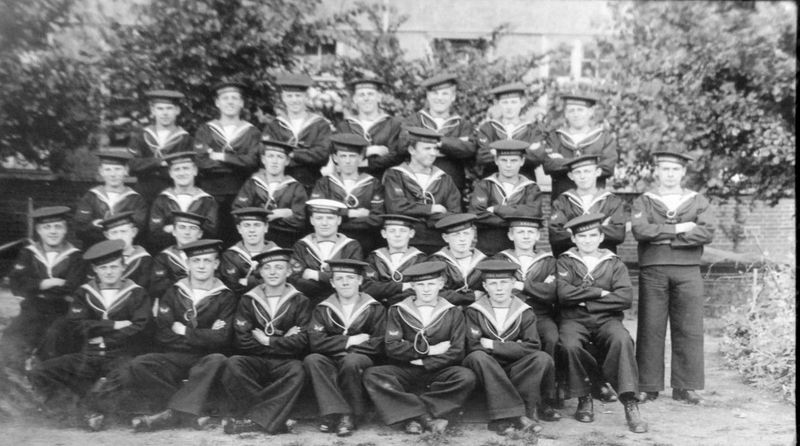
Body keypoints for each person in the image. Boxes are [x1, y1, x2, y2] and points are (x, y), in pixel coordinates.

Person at [27, 240, 151, 431]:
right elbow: (76, 325)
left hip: (120, 356)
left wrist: (102, 336)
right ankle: (80, 414)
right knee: (41, 372)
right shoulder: (84, 293)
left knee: (128, 377)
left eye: (113, 267)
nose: (109, 272)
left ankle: (100, 411)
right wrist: (114, 324)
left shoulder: (137, 293)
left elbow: (140, 328)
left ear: (123, 267)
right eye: (103, 268)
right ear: (94, 270)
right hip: (88, 355)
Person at [632, 151, 715, 405]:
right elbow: (640, 230)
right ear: (657, 171)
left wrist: (666, 238)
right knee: (650, 327)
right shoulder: (644, 200)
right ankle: (648, 385)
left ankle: (685, 387)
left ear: (682, 173)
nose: (669, 174)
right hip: (653, 268)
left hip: (688, 269)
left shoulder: (697, 200)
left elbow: (707, 232)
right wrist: (679, 229)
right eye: (664, 169)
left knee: (689, 328)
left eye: (674, 170)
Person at [126, 239, 236, 431]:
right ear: (188, 264)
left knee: (218, 359)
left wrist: (184, 331)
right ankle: (184, 411)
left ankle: (169, 415)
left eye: (207, 261)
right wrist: (206, 334)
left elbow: (222, 338)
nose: (201, 266)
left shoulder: (226, 296)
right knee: (140, 364)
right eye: (196, 261)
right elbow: (162, 333)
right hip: (174, 355)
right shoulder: (174, 291)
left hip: (205, 358)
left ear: (216, 264)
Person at [556, 214, 647, 433]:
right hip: (573, 320)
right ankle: (584, 397)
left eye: (592, 235)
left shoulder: (613, 263)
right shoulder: (565, 261)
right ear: (574, 239)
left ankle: (630, 403)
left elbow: (624, 298)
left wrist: (585, 301)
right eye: (582, 236)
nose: (587, 240)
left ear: (601, 237)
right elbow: (563, 294)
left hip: (607, 319)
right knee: (569, 345)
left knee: (622, 339)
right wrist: (599, 292)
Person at [363, 261, 476, 435]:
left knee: (466, 377)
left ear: (441, 284)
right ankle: (426, 417)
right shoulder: (398, 310)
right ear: (413, 286)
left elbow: (456, 351)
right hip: (406, 368)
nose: (426, 289)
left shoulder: (453, 312)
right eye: (420, 284)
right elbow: (392, 347)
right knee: (373, 375)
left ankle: (411, 416)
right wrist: (429, 350)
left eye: (431, 284)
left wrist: (424, 361)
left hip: (439, 369)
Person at [220, 248, 310, 435]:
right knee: (233, 364)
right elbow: (242, 340)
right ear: (260, 272)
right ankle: (273, 419)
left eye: (279, 267)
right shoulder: (248, 300)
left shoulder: (300, 300)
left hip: (285, 362)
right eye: (267, 268)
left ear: (289, 271)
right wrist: (284, 339)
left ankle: (253, 420)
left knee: (297, 370)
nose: (273, 272)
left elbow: (302, 341)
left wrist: (268, 341)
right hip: (256, 359)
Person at [463, 260, 556, 436]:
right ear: (485, 286)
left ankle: (507, 417)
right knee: (478, 357)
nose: (499, 288)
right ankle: (517, 416)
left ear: (513, 284)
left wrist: (492, 344)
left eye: (504, 282)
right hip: (485, 367)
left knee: (542, 358)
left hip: (513, 366)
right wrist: (514, 346)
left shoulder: (524, 311)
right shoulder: (474, 311)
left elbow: (532, 346)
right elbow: (473, 345)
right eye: (493, 283)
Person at [304, 259, 386, 437]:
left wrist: (343, 347)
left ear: (360, 281)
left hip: (361, 357)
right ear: (332, 283)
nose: (345, 282)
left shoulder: (374, 307)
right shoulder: (323, 308)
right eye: (340, 279)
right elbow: (315, 342)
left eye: (350, 277)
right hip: (333, 355)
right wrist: (351, 341)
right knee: (313, 359)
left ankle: (350, 415)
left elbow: (378, 342)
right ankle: (334, 412)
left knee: (351, 361)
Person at [1, 206, 87, 369]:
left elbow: (73, 286)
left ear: (65, 230)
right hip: (32, 309)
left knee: (53, 339)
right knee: (11, 337)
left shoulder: (76, 256)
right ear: (39, 230)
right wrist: (44, 283)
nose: (53, 232)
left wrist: (34, 285)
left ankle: (45, 381)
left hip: (62, 310)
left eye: (58, 227)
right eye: (47, 227)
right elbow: (16, 284)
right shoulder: (29, 253)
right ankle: (14, 382)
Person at [194, 80, 261, 247]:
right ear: (217, 103)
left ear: (242, 103)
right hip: (211, 190)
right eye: (225, 98)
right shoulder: (206, 129)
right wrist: (237, 161)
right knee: (210, 233)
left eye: (235, 98)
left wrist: (220, 157)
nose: (230, 102)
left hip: (241, 191)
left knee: (237, 235)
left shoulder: (252, 131)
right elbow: (201, 161)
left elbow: (252, 162)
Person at [383, 126, 461, 255]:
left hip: (438, 243)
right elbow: (395, 207)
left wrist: (422, 217)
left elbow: (454, 214)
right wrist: (430, 209)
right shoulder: (395, 175)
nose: (433, 153)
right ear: (412, 150)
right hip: (406, 244)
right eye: (427, 148)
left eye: (435, 148)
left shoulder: (445, 178)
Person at [468, 139, 544, 256]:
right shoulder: (485, 185)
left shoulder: (531, 187)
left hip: (521, 251)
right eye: (504, 160)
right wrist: (515, 220)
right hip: (488, 249)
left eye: (514, 160)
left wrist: (497, 209)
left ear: (522, 161)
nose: (508, 165)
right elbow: (476, 214)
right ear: (496, 160)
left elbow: (534, 213)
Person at [311, 133, 384, 253]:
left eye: (352, 156)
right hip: (332, 241)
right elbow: (315, 211)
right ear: (335, 158)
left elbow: (377, 219)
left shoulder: (373, 183)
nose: (348, 161)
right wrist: (351, 213)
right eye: (343, 156)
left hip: (364, 241)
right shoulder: (324, 183)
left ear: (361, 158)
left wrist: (339, 218)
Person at [403, 73, 476, 191]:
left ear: (453, 97)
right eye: (435, 93)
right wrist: (454, 145)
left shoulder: (462, 124)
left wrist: (437, 143)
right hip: (417, 184)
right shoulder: (413, 120)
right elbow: (403, 147)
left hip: (452, 184)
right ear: (427, 96)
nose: (439, 98)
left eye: (445, 93)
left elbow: (469, 150)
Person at [261, 73, 333, 190]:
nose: (294, 100)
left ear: (306, 97)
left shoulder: (320, 124)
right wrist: (306, 154)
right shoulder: (275, 125)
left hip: (310, 182)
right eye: (289, 96)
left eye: (298, 96)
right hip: (281, 184)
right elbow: (264, 152)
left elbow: (322, 155)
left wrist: (292, 154)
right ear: (283, 98)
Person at [540, 92, 618, 199]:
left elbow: (607, 168)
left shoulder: (604, 138)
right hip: (562, 199)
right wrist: (590, 166)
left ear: (590, 112)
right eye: (571, 110)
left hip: (595, 200)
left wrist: (563, 162)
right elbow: (549, 165)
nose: (576, 114)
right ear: (566, 114)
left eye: (580, 110)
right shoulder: (555, 137)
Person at [233, 140, 308, 248]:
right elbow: (238, 210)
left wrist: (279, 216)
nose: (274, 161)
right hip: (255, 238)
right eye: (270, 156)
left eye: (280, 157)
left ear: (287, 161)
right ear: (263, 159)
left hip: (285, 238)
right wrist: (281, 213)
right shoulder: (252, 183)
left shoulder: (295, 187)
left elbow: (300, 220)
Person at [548, 154, 626, 257]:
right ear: (571, 176)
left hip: (604, 262)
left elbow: (618, 234)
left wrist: (573, 230)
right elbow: (556, 235)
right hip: (572, 261)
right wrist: (600, 229)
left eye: (587, 171)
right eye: (577, 172)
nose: (582, 176)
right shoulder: (562, 201)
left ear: (597, 172)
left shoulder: (611, 200)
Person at [288, 199, 363, 305]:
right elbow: (295, 281)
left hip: (342, 303)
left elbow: (353, 279)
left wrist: (317, 275)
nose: (324, 223)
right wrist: (331, 281)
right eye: (319, 218)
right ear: (311, 220)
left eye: (330, 218)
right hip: (309, 303)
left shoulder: (351, 246)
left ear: (339, 220)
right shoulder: (302, 246)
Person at [127, 89, 193, 203]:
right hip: (144, 190)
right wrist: (159, 162)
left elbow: (190, 169)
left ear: (177, 110)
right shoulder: (141, 137)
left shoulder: (186, 139)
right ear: (153, 110)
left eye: (169, 108)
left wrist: (147, 164)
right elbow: (132, 164)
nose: (165, 113)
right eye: (160, 108)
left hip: (173, 191)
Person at [74, 150, 147, 249]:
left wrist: (105, 227)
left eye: (118, 169)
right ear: (101, 171)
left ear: (126, 170)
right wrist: (92, 226)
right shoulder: (91, 196)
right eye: (108, 169)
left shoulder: (135, 199)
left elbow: (138, 229)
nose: (113, 174)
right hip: (96, 249)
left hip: (124, 249)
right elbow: (80, 228)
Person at [148, 151, 218, 252]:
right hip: (169, 253)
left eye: (186, 168)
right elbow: (155, 232)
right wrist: (193, 229)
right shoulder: (162, 199)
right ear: (171, 173)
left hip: (199, 253)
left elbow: (211, 231)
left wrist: (173, 228)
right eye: (177, 169)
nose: (182, 173)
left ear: (195, 171)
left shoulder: (207, 200)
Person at [475, 82, 545, 179]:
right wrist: (524, 152)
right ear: (497, 103)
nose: (509, 107)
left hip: (525, 184)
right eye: (505, 102)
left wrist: (496, 152)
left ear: (522, 102)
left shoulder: (532, 129)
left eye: (513, 102)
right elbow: (482, 157)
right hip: (493, 184)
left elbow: (538, 157)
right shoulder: (488, 128)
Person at [336, 77, 404, 178]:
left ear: (379, 97)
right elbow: (339, 158)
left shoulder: (393, 124)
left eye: (370, 94)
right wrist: (369, 151)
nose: (366, 98)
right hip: (354, 183)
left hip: (385, 182)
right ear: (355, 99)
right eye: (361, 95)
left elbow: (395, 157)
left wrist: (358, 158)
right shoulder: (345, 126)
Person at [362, 214, 427, 307]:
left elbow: (420, 289)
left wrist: (386, 293)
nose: (397, 235)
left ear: (411, 233)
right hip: (378, 309)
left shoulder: (421, 259)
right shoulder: (374, 258)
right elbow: (368, 288)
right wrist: (403, 286)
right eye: (392, 231)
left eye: (403, 231)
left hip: (409, 309)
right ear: (384, 234)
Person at [428, 213, 487, 306]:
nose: (462, 239)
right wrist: (469, 297)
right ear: (445, 238)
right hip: (447, 313)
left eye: (466, 233)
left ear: (472, 234)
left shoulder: (484, 262)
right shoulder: (435, 262)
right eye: (456, 235)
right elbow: (432, 293)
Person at [219, 207, 278, 295]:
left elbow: (279, 285)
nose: (252, 230)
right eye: (247, 225)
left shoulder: (277, 253)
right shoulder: (230, 256)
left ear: (266, 227)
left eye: (257, 225)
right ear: (239, 229)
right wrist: (263, 277)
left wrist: (249, 281)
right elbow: (233, 287)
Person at [149, 211, 205, 302]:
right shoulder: (164, 258)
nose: (187, 232)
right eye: (182, 227)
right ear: (174, 231)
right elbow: (157, 287)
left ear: (200, 234)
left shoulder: (208, 257)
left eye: (193, 228)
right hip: (173, 304)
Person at [97, 212, 154, 299]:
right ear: (107, 235)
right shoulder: (99, 260)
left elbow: (146, 291)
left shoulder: (144, 260)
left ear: (134, 232)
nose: (119, 237)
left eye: (123, 231)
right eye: (114, 233)